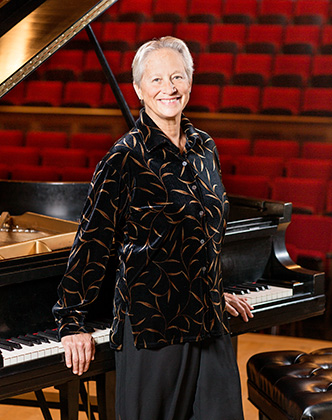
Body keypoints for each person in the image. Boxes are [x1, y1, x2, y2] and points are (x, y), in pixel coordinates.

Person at [53, 36, 253, 420]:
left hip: (208, 322)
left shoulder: (204, 147)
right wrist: (70, 322)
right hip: (153, 328)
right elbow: (92, 243)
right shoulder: (123, 159)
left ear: (190, 83)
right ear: (139, 89)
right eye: (157, 79)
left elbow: (204, 233)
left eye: (177, 77)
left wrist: (210, 285)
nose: (169, 88)